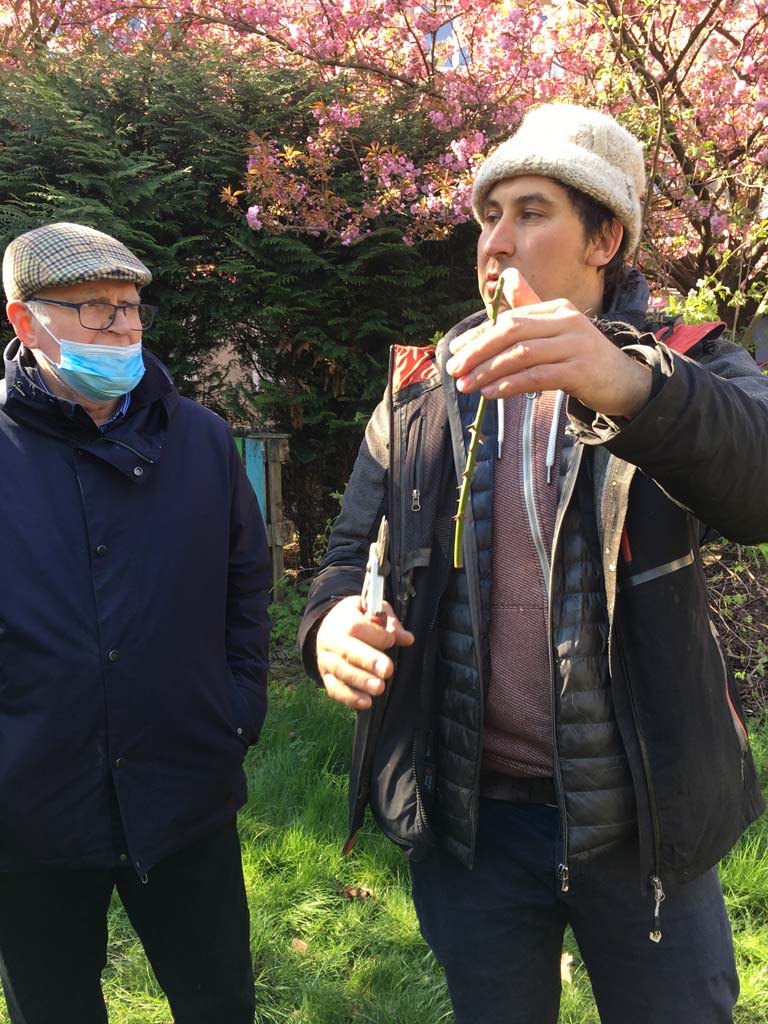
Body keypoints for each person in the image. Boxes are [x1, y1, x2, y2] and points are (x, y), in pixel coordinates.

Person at [298, 104, 768, 1024]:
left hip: (641, 815)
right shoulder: (425, 388)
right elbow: (349, 556)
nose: (496, 240)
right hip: (473, 819)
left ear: (605, 239)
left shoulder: (686, 360)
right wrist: (330, 627)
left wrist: (629, 387)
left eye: (532, 212)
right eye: (488, 215)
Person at [0, 222, 271, 1024]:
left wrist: (238, 709)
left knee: (219, 1003)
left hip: (185, 788)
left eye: (130, 308)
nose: (123, 329)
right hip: (29, 807)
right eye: (96, 308)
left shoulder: (199, 439)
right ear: (25, 321)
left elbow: (245, 582)